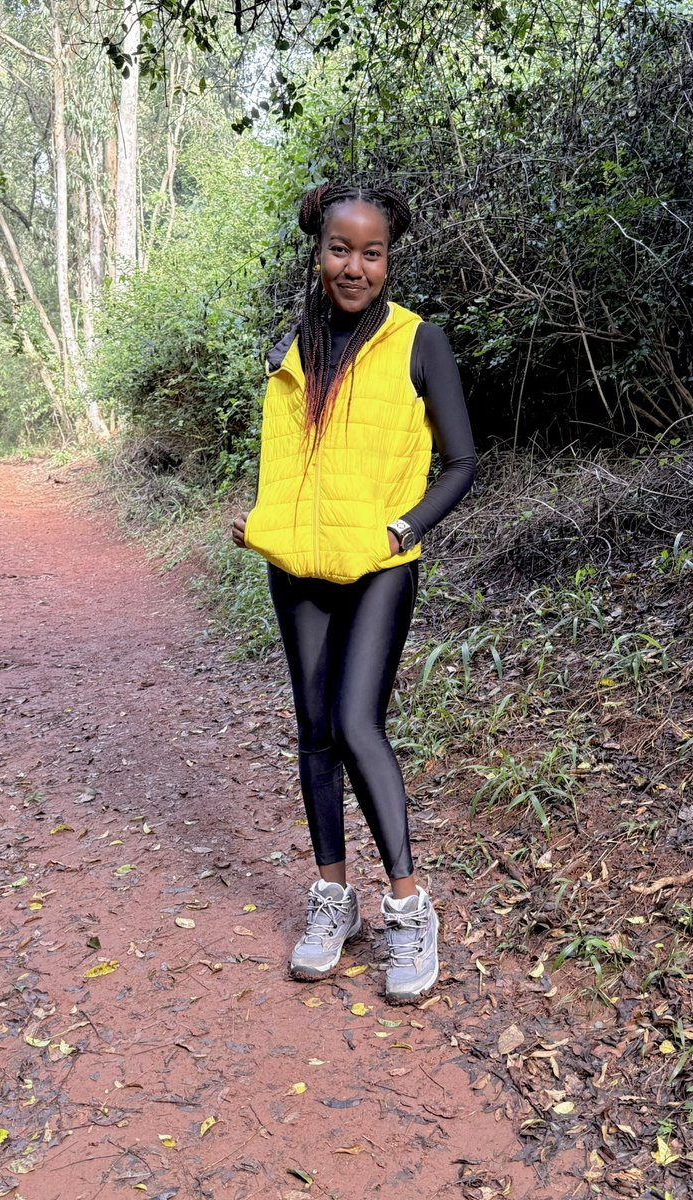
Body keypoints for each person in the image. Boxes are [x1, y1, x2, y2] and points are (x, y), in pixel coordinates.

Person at [231, 182, 476, 1002]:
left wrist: (405, 529)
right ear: (318, 251)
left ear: (388, 258)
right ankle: (334, 898)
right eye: (341, 249)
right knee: (313, 732)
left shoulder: (418, 342)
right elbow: (288, 459)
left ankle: (408, 908)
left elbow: (462, 463)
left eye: (372, 253)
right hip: (296, 563)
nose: (354, 267)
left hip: (378, 565)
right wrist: (263, 518)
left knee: (355, 724)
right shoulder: (292, 349)